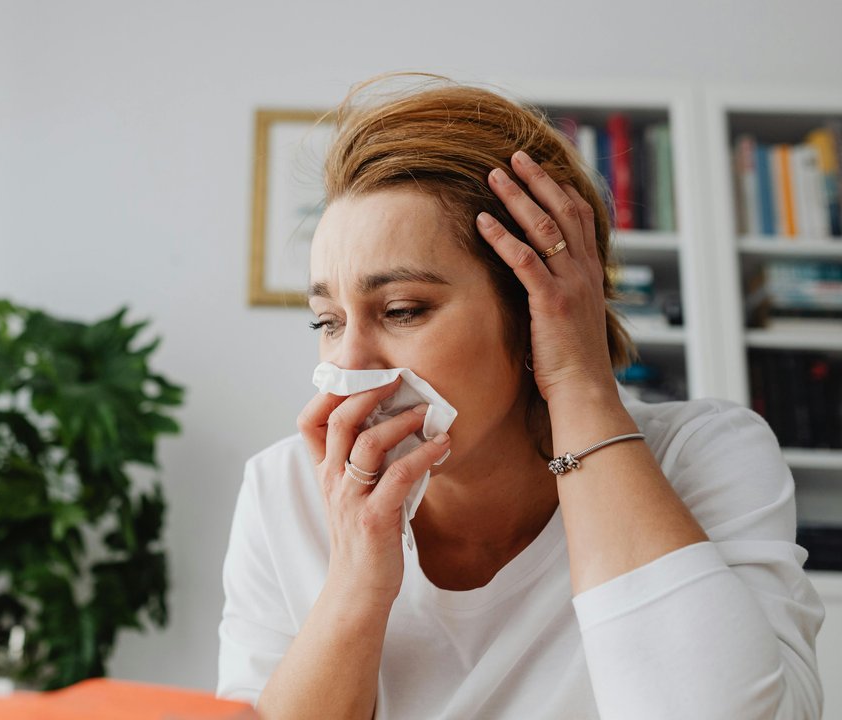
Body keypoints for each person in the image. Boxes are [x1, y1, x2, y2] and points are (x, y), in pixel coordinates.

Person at [216, 74, 825, 719]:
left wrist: (579, 381)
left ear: (538, 307)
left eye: (401, 310)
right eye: (328, 321)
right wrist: (354, 581)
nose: (348, 365)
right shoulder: (282, 489)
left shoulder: (702, 456)